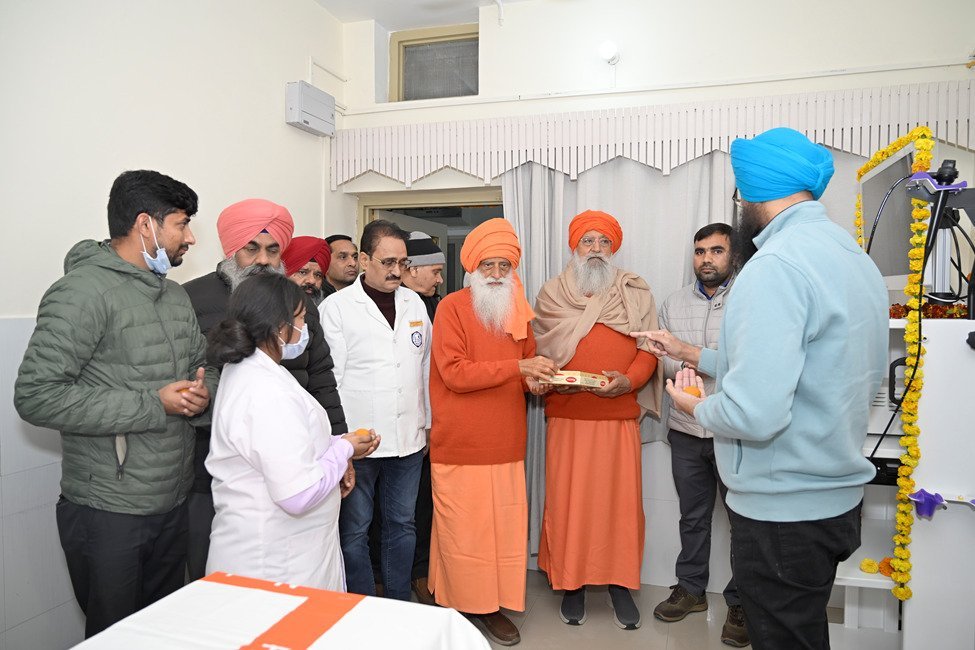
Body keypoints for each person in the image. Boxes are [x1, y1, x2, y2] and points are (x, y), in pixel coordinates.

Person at [632, 127, 888, 650]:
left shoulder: (773, 266)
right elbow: (803, 365)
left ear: (752, 196)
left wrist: (696, 406)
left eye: (739, 197)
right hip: (834, 499)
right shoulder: (852, 257)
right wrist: (691, 353)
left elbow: (755, 413)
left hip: (783, 511)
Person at [14, 170, 213, 637]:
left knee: (161, 634)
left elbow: (203, 367)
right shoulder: (81, 292)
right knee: (115, 637)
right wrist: (153, 405)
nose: (190, 238)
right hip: (109, 511)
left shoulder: (174, 296)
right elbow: (36, 396)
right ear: (146, 225)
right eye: (182, 224)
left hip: (173, 500)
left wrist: (203, 393)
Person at [182, 199, 348, 581]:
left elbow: (321, 375)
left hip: (302, 456)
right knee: (225, 572)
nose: (263, 259)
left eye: (273, 250)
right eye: (251, 248)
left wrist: (338, 443)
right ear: (231, 249)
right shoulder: (193, 299)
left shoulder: (298, 302)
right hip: (219, 462)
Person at [428, 218, 557, 646]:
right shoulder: (451, 308)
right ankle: (464, 607)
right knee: (464, 533)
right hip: (460, 443)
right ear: (473, 268)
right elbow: (454, 373)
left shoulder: (518, 309)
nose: (498, 274)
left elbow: (524, 371)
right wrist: (518, 368)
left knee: (501, 533)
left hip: (506, 443)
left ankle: (492, 604)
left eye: (505, 265)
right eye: (489, 265)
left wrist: (536, 380)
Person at [205, 274, 379, 590]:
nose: (305, 328)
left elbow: (288, 443)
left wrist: (337, 443)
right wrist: (344, 451)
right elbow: (298, 494)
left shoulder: (256, 371)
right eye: (299, 319)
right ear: (277, 325)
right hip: (275, 564)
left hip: (289, 553)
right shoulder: (265, 390)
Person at [532, 210, 662, 630]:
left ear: (613, 248)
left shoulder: (635, 290)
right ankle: (571, 583)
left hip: (617, 417)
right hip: (568, 417)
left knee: (619, 509)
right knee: (569, 505)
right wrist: (557, 381)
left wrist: (629, 382)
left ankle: (620, 584)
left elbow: (649, 350)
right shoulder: (552, 292)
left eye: (603, 241)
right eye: (587, 241)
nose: (595, 249)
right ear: (574, 246)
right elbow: (538, 352)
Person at [319, 219, 431, 602]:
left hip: (408, 439)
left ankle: (398, 602)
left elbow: (424, 368)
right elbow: (329, 380)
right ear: (365, 260)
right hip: (359, 442)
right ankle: (362, 605)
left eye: (402, 262)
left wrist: (427, 424)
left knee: (403, 525)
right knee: (355, 530)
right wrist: (338, 441)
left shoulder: (414, 303)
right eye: (388, 262)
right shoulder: (336, 309)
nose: (397, 271)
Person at [652, 222, 749, 647]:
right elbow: (662, 360)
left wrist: (693, 358)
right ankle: (691, 589)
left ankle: (742, 602)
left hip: (734, 432)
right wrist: (687, 365)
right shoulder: (673, 303)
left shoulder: (751, 298)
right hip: (687, 431)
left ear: (733, 255)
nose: (706, 259)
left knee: (744, 522)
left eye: (716, 251)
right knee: (692, 517)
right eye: (699, 251)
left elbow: (751, 364)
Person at [399, 231, 446, 605]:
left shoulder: (439, 307)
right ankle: (400, 576)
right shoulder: (394, 306)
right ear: (411, 270)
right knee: (401, 508)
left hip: (434, 422)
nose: (440, 279)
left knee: (426, 504)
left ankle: (423, 572)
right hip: (401, 422)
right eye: (435, 271)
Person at [282, 235, 332, 306]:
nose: (312, 281)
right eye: (303, 272)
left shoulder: (328, 307)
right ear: (284, 273)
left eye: (318, 275)